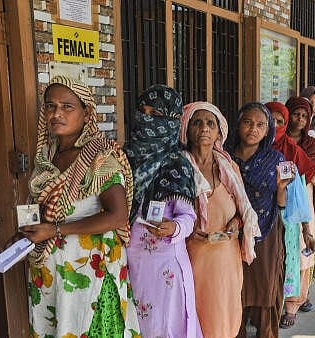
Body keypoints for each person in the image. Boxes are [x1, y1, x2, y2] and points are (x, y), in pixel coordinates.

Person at [22, 76, 141, 336]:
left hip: (91, 272)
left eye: (67, 107)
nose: (57, 113)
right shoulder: (46, 157)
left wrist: (53, 231)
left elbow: (118, 216)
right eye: (51, 106)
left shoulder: (99, 157)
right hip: (52, 271)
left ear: (86, 112)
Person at [124, 85, 202, 337]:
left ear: (171, 121)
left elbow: (189, 217)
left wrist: (174, 227)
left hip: (164, 265)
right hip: (127, 262)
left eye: (155, 115)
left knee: (165, 326)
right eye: (142, 112)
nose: (145, 120)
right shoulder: (125, 157)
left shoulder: (178, 163)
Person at [181, 102, 261, 338]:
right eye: (197, 122)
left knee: (227, 309)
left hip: (227, 253)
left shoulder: (228, 165)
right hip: (195, 253)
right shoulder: (179, 167)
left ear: (219, 132)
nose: (204, 128)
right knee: (199, 310)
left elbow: (241, 207)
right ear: (186, 129)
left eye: (210, 123)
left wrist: (236, 223)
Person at [226, 102, 297, 336]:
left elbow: (281, 205)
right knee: (236, 289)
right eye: (247, 122)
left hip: (265, 233)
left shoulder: (274, 158)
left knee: (264, 288)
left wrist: (281, 187)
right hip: (231, 232)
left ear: (268, 131)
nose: (253, 129)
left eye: (260, 125)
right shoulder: (224, 157)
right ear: (238, 125)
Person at [284, 96, 315, 314]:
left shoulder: (311, 144)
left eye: (304, 115)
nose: (300, 119)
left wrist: (309, 176)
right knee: (283, 249)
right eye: (296, 114)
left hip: (304, 199)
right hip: (280, 201)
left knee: (302, 246)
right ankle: (280, 299)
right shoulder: (276, 140)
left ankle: (296, 301)